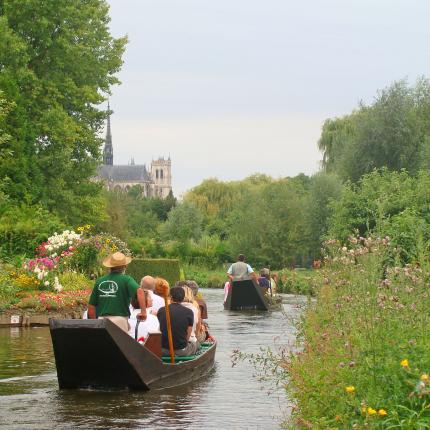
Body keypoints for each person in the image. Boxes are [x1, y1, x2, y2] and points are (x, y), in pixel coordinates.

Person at [88, 252, 146, 332]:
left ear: (110, 267)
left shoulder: (99, 281)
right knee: (121, 344)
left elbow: (91, 306)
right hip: (120, 319)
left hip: (102, 320)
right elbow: (140, 291)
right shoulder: (127, 279)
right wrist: (143, 312)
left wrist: (95, 324)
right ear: (125, 266)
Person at [157, 285, 198, 357]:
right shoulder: (189, 312)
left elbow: (159, 329)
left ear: (171, 297)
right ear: (182, 298)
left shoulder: (161, 310)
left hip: (163, 350)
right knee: (196, 344)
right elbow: (188, 334)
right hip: (181, 350)